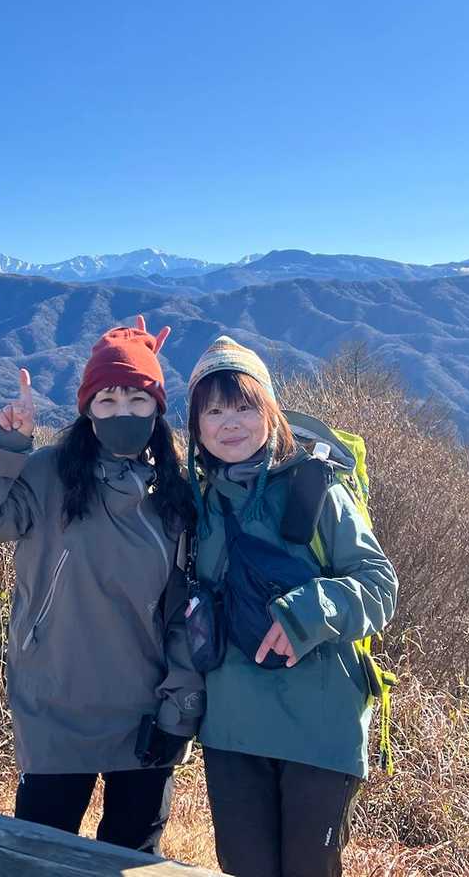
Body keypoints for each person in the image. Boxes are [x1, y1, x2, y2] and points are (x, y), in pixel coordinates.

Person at [0, 317, 201, 855]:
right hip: (55, 703)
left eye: (137, 399)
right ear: (87, 410)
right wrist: (5, 445)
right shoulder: (48, 474)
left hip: (146, 708)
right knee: (43, 852)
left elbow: (186, 611)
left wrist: (180, 700)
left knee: (129, 857)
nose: (123, 412)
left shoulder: (176, 494)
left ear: (157, 409)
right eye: (107, 400)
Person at [185, 336, 398, 877]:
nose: (230, 423)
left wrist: (307, 610)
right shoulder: (198, 504)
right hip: (231, 729)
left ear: (270, 411)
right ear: (196, 426)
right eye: (214, 411)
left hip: (319, 730)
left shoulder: (315, 490)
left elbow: (379, 585)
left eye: (243, 406)